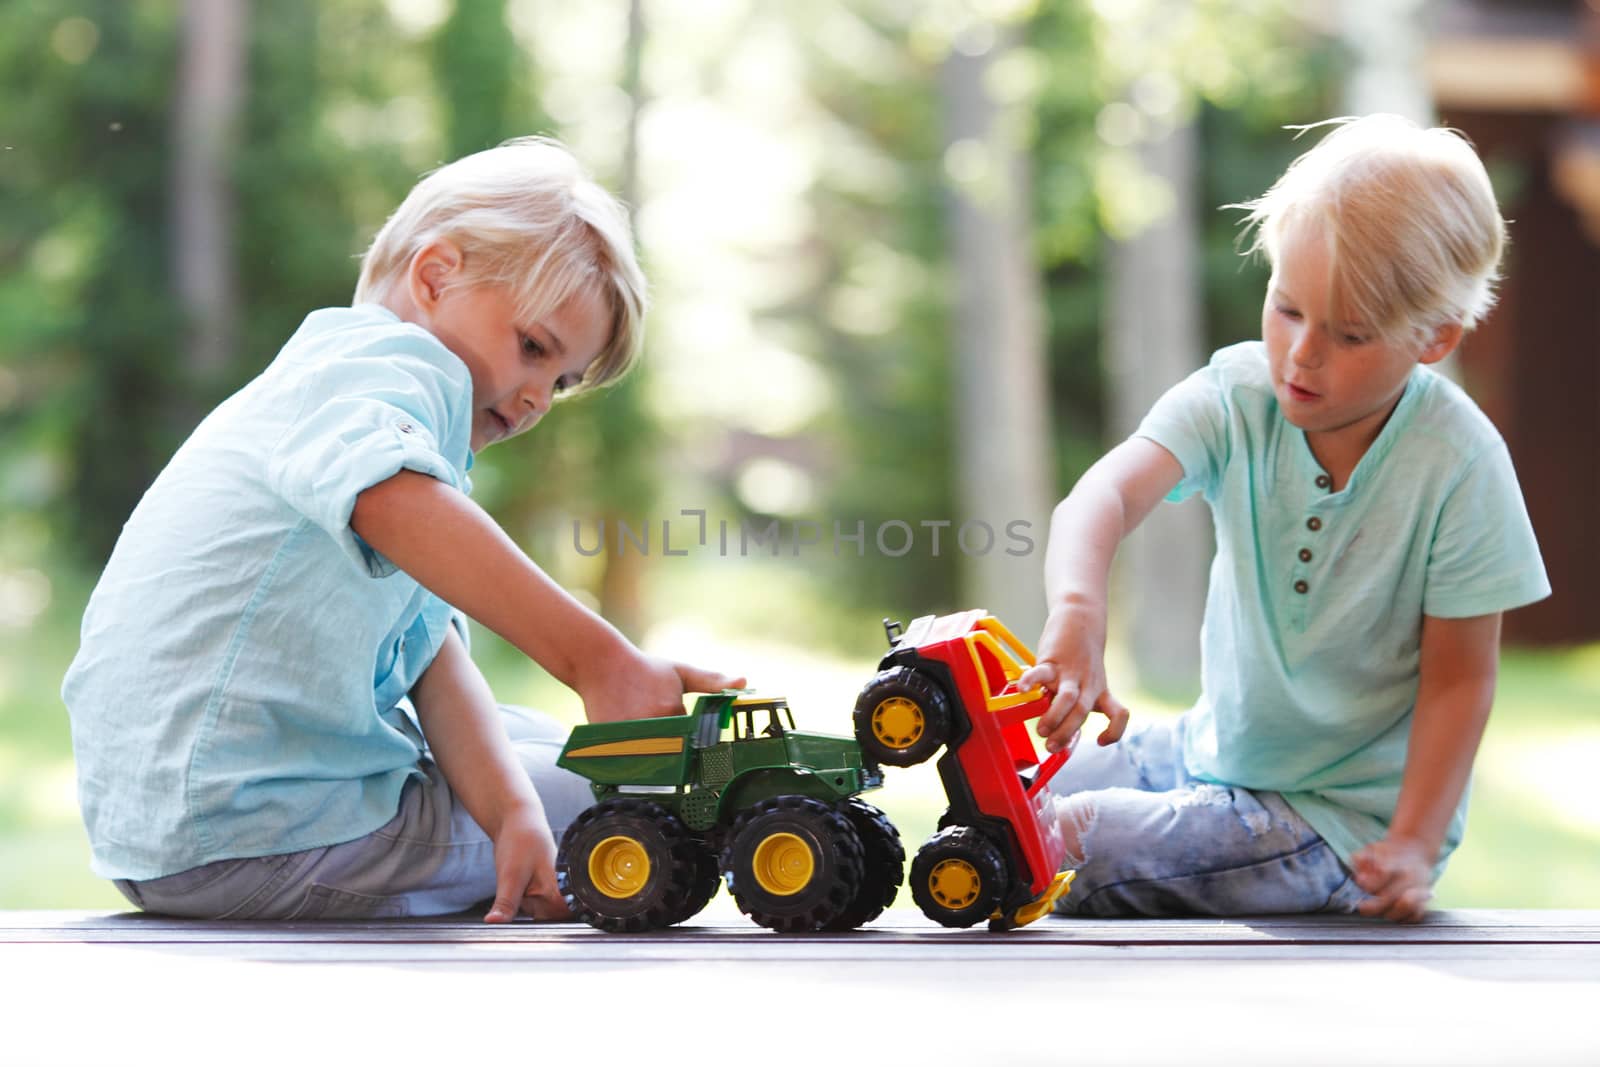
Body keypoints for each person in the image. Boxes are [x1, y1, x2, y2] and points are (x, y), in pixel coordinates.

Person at [62, 137, 742, 923]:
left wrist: (506, 810)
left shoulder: (342, 401)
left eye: (558, 381)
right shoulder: (386, 372)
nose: (535, 400)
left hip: (170, 831)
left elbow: (433, 661)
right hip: (259, 834)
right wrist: (598, 658)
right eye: (531, 347)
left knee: (529, 745)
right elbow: (393, 501)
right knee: (611, 795)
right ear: (434, 275)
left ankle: (510, 831)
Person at [1019, 115, 1550, 923]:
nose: (1302, 353)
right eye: (1287, 308)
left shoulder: (1459, 464)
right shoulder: (1237, 397)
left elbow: (1460, 680)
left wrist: (1410, 841)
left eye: (1349, 334)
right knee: (1019, 783)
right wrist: (1079, 611)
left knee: (1073, 842)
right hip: (1212, 756)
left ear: (1434, 338)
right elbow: (1103, 494)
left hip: (1336, 824)